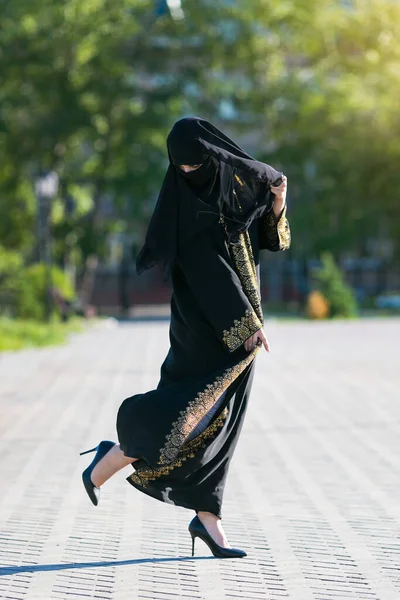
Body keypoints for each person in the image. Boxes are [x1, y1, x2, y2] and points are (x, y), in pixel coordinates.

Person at [80, 117, 290, 558]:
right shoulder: (185, 206)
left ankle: (207, 519)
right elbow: (209, 273)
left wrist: (277, 204)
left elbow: (266, 242)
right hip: (205, 323)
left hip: (242, 321)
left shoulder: (230, 189)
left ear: (212, 158)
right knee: (188, 408)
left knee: (224, 420)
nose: (189, 175)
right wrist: (246, 327)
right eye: (181, 168)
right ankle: (119, 447)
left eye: (197, 166)